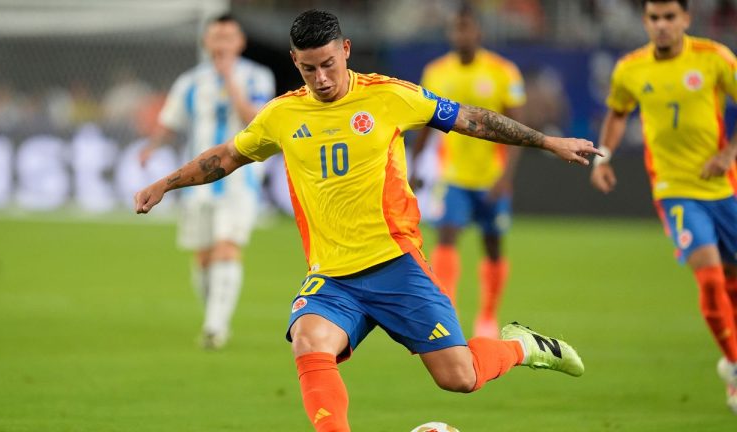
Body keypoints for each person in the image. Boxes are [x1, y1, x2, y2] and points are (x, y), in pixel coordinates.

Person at [136, 10, 597, 431]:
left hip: (396, 265)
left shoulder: (389, 96)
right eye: (308, 68)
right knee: (308, 338)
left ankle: (523, 346)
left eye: (328, 64)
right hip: (333, 276)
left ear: (346, 50)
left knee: (460, 378)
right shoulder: (282, 114)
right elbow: (228, 156)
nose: (321, 78)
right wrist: (166, 183)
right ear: (295, 61)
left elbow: (471, 119)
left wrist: (547, 142)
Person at [590, 0, 737, 413]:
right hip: (673, 189)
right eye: (654, 18)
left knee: (731, 280)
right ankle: (735, 367)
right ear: (645, 22)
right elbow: (618, 113)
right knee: (708, 277)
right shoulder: (631, 68)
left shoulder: (713, 59)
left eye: (670, 17)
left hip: (724, 187)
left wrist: (728, 153)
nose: (662, 26)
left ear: (686, 19)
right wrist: (603, 157)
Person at [138, 13, 275, 350]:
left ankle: (216, 327)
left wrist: (230, 79)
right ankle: (213, 318)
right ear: (206, 42)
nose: (223, 43)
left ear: (240, 42)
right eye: (217, 37)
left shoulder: (258, 77)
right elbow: (171, 120)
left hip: (242, 179)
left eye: (229, 37)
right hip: (198, 180)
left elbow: (254, 121)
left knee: (227, 246)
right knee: (202, 256)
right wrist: (153, 146)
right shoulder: (190, 82)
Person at [411, 2, 527, 338]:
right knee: (446, 237)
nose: (460, 34)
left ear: (478, 32)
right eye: (455, 28)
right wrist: (417, 164)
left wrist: (505, 178)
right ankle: (449, 311)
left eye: (466, 28)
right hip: (453, 177)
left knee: (492, 245)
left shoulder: (503, 71)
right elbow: (425, 123)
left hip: (491, 177)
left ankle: (488, 316)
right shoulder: (436, 72)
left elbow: (518, 128)